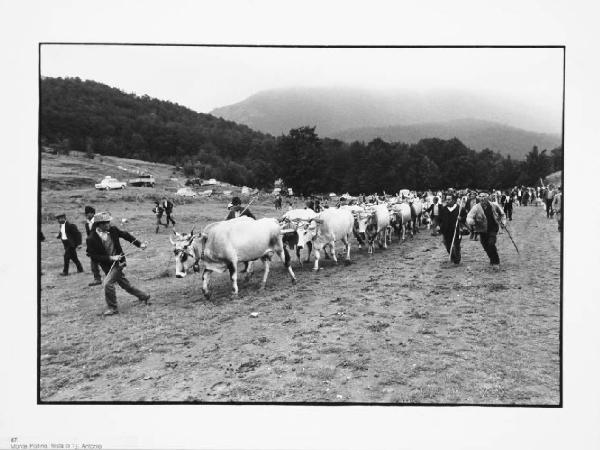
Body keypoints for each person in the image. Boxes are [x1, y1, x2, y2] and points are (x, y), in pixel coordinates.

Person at [86, 212, 150, 316]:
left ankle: (113, 308)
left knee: (107, 284)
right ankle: (144, 296)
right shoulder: (91, 238)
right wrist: (110, 257)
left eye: (108, 222)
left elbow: (126, 235)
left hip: (119, 263)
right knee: (125, 284)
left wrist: (140, 244)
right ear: (98, 225)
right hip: (107, 265)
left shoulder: (113, 230)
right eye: (105, 223)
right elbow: (92, 255)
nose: (108, 225)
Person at [466, 193, 506, 270]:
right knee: (485, 246)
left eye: (484, 197)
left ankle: (496, 262)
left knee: (491, 243)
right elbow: (469, 217)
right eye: (480, 197)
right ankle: (492, 259)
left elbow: (502, 214)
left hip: (492, 228)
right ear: (479, 198)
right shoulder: (476, 207)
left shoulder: (494, 205)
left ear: (487, 197)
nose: (482, 198)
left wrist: (503, 223)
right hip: (482, 230)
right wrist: (472, 222)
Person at [439, 194, 468, 264]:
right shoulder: (444, 209)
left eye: (449, 199)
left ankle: (457, 260)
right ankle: (452, 256)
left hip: (457, 230)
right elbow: (440, 219)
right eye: (447, 199)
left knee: (456, 245)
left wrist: (461, 218)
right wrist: (439, 226)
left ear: (453, 200)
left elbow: (466, 217)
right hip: (446, 230)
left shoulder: (460, 208)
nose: (447, 201)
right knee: (447, 244)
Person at [84, 206, 102, 286]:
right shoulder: (87, 224)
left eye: (89, 213)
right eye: (86, 214)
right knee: (93, 263)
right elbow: (89, 237)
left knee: (107, 262)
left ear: (93, 213)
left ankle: (115, 277)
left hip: (102, 244)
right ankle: (97, 279)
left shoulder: (99, 221)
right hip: (93, 246)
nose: (87, 215)